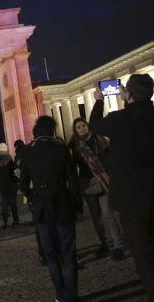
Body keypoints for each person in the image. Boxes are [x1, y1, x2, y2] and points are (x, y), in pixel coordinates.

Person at [89, 74, 154, 300]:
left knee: (143, 255)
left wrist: (98, 100)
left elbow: (94, 125)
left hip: (131, 199)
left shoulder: (120, 119)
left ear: (127, 95)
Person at [20, 116, 82, 302]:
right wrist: (77, 204)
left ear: (36, 132)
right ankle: (71, 295)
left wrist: (34, 197)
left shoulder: (27, 153)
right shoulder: (61, 149)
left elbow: (23, 185)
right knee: (68, 254)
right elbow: (73, 180)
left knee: (51, 256)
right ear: (52, 131)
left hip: (41, 209)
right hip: (63, 204)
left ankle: (60, 294)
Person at [68, 117, 126, 261]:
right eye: (78, 127)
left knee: (108, 214)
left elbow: (111, 159)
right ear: (75, 131)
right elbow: (73, 168)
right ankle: (104, 242)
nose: (82, 128)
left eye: (83, 125)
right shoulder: (74, 146)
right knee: (96, 217)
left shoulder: (100, 140)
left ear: (88, 126)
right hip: (87, 184)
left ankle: (117, 244)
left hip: (103, 182)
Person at [0, 143, 20, 229]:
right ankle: (16, 220)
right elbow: (14, 170)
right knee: (13, 203)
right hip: (11, 184)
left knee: (4, 205)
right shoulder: (8, 158)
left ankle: (5, 223)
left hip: (1, 185)